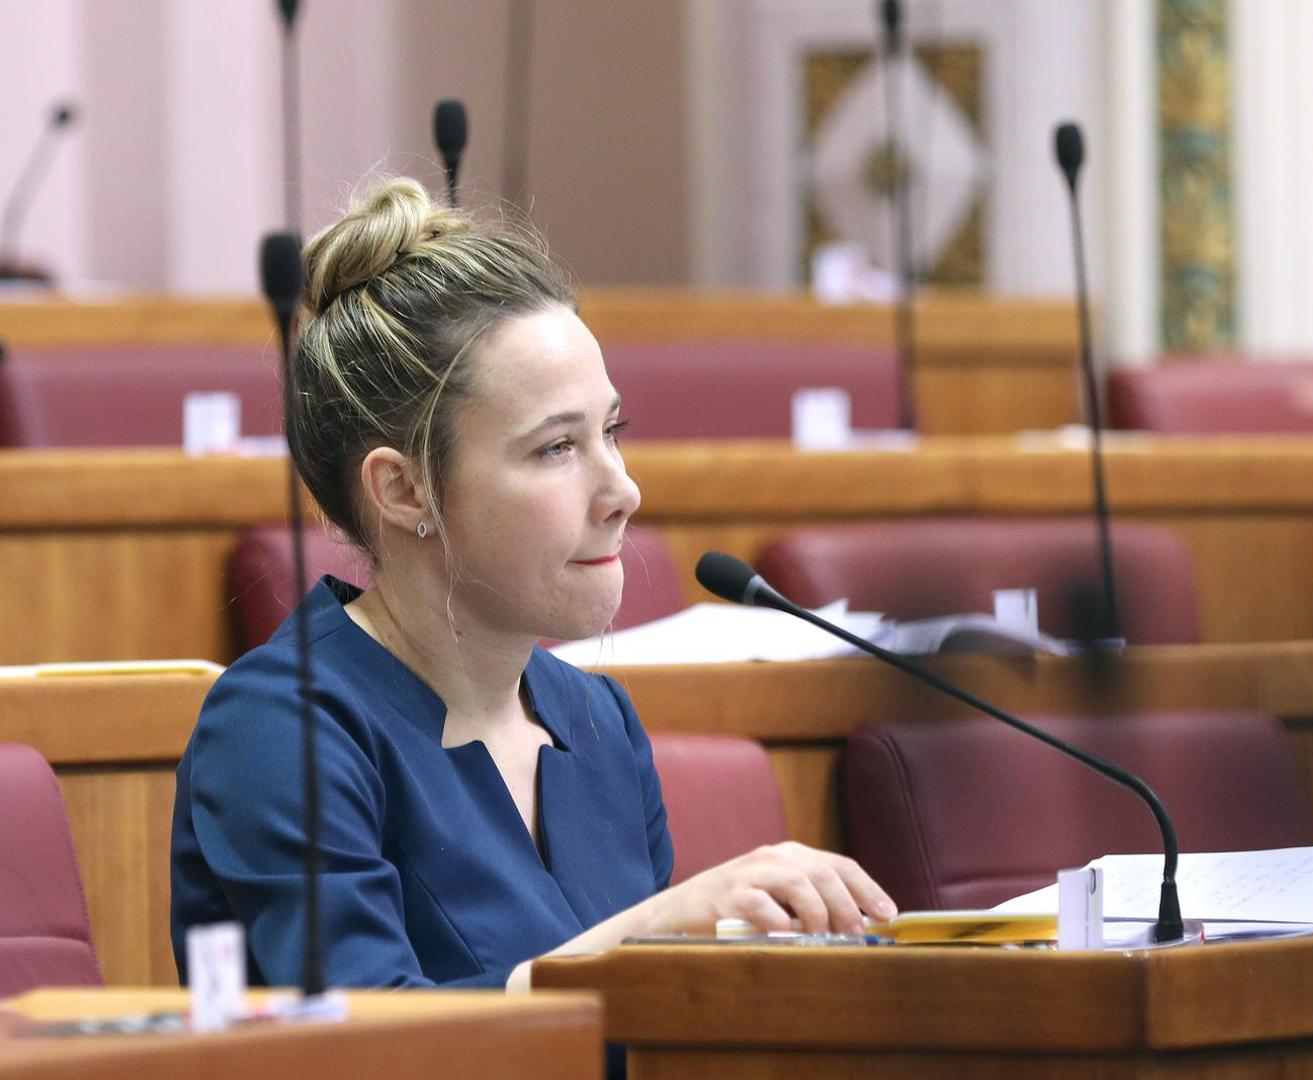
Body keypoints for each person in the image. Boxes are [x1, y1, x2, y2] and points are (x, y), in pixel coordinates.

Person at [170, 177, 896, 991]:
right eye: (557, 448)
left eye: (611, 432)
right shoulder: (280, 729)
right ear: (404, 490)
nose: (624, 492)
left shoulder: (598, 721)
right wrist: (654, 932)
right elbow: (365, 1047)